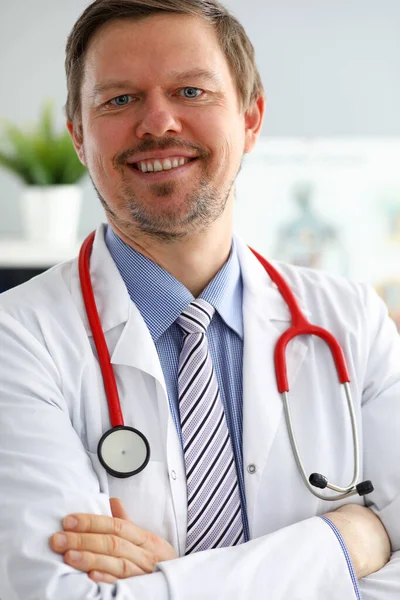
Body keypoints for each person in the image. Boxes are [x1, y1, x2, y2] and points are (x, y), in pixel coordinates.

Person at [0, 1, 399, 598]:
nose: (158, 122)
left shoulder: (353, 320)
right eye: (118, 100)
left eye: (190, 90)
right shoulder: (16, 337)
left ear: (251, 117)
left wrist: (169, 577)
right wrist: (351, 541)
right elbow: (60, 594)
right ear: (79, 136)